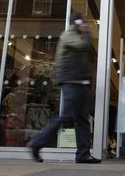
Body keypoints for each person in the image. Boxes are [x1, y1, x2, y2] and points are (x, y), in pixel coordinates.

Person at [28, 12, 101, 164]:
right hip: (71, 83)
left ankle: (83, 154)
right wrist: (87, 33)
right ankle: (37, 143)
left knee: (82, 120)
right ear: (74, 23)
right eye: (80, 22)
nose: (83, 24)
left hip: (80, 84)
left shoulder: (77, 35)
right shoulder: (68, 35)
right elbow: (82, 46)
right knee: (66, 117)